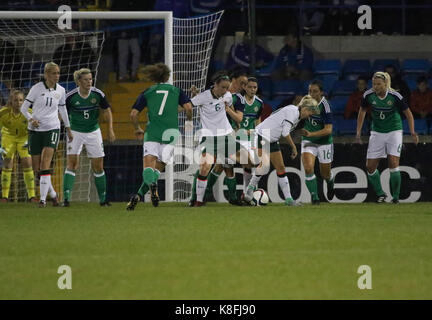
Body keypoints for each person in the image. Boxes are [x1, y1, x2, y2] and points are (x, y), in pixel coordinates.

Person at [127, 63, 193, 210]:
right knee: (158, 169)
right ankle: (139, 195)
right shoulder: (176, 91)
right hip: (171, 135)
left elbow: (133, 114)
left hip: (152, 133)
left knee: (148, 167)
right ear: (168, 76)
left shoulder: (148, 92)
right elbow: (188, 108)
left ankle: (150, 187)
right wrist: (188, 122)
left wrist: (137, 128)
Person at [243, 95, 320, 206]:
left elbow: (275, 118)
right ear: (306, 109)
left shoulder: (296, 115)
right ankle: (249, 190)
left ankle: (288, 200)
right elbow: (285, 133)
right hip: (262, 135)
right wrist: (293, 147)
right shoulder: (293, 112)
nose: (310, 116)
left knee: (281, 168)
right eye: (310, 113)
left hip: (272, 138)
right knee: (264, 166)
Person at [356, 71, 419, 204]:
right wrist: (358, 132)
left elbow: (408, 114)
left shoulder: (395, 96)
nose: (376, 86)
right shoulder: (368, 95)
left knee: (393, 163)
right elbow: (362, 111)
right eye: (374, 84)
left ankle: (395, 197)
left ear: (386, 84)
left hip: (394, 131)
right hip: (377, 132)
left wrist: (412, 132)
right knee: (370, 167)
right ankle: (381, 194)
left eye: (379, 84)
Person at [188, 73, 250, 207]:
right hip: (209, 137)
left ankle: (246, 194)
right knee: (205, 167)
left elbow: (231, 107)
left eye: (227, 88)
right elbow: (188, 105)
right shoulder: (203, 96)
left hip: (227, 136)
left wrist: (235, 122)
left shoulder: (229, 96)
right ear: (215, 85)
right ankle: (196, 200)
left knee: (249, 162)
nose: (225, 91)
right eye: (223, 87)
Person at [20, 62, 73, 207]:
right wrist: (31, 119)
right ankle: (54, 195)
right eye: (54, 73)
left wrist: (68, 128)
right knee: (37, 168)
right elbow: (24, 108)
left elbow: (63, 110)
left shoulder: (61, 90)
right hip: (35, 131)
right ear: (46, 74)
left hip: (52, 129)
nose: (57, 76)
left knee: (45, 163)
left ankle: (43, 200)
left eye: (58, 73)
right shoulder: (36, 89)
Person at [62, 68, 115, 207]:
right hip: (75, 132)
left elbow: (107, 110)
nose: (89, 82)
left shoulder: (98, 94)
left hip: (93, 132)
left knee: (98, 166)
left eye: (90, 79)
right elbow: (62, 114)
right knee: (72, 164)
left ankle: (103, 200)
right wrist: (66, 129)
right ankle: (66, 199)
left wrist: (110, 129)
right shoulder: (71, 96)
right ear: (79, 81)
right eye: (86, 80)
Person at [300, 80, 335, 204]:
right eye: (310, 91)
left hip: (324, 142)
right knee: (308, 168)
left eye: (315, 91)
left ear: (321, 92)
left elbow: (328, 130)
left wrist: (311, 134)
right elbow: (298, 119)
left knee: (325, 174)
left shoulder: (325, 106)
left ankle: (330, 183)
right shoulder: (305, 103)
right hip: (308, 141)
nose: (312, 94)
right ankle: (315, 197)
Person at [0, 90, 37, 203]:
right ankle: (5, 196)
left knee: (27, 163)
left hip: (23, 139)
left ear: (24, 101)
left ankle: (32, 196)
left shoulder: (30, 112)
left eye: (21, 100)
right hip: (8, 137)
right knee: (7, 164)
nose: (18, 103)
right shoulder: (3, 113)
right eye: (16, 100)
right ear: (11, 101)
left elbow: (35, 128)